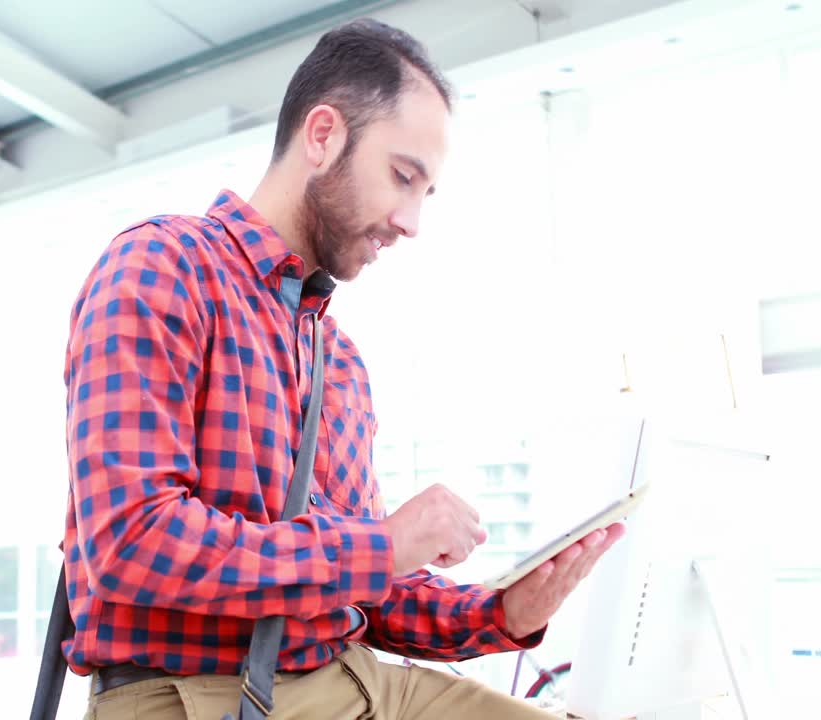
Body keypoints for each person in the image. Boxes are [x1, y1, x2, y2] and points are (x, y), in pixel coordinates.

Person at [61, 17, 625, 720]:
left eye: (426, 193)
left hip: (356, 677)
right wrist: (383, 544)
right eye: (402, 176)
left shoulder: (339, 359)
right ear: (323, 136)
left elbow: (360, 582)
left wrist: (502, 611)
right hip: (205, 692)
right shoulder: (162, 269)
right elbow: (133, 543)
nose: (413, 221)